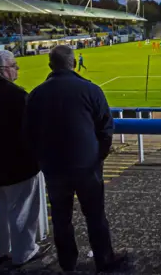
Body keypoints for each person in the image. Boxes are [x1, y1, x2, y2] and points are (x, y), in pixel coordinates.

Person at [24, 45, 119, 272]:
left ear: (50, 65)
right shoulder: (91, 90)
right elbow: (106, 129)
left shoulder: (36, 94)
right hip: (87, 166)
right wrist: (99, 157)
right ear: (74, 63)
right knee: (95, 215)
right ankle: (104, 261)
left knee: (61, 217)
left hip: (54, 167)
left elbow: (28, 133)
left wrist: (42, 160)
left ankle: (67, 263)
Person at [0, 51, 50, 268]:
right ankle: (25, 253)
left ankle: (5, 250)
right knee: (23, 211)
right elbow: (32, 128)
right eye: (13, 66)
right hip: (17, 164)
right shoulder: (15, 94)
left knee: (2, 211)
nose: (17, 70)